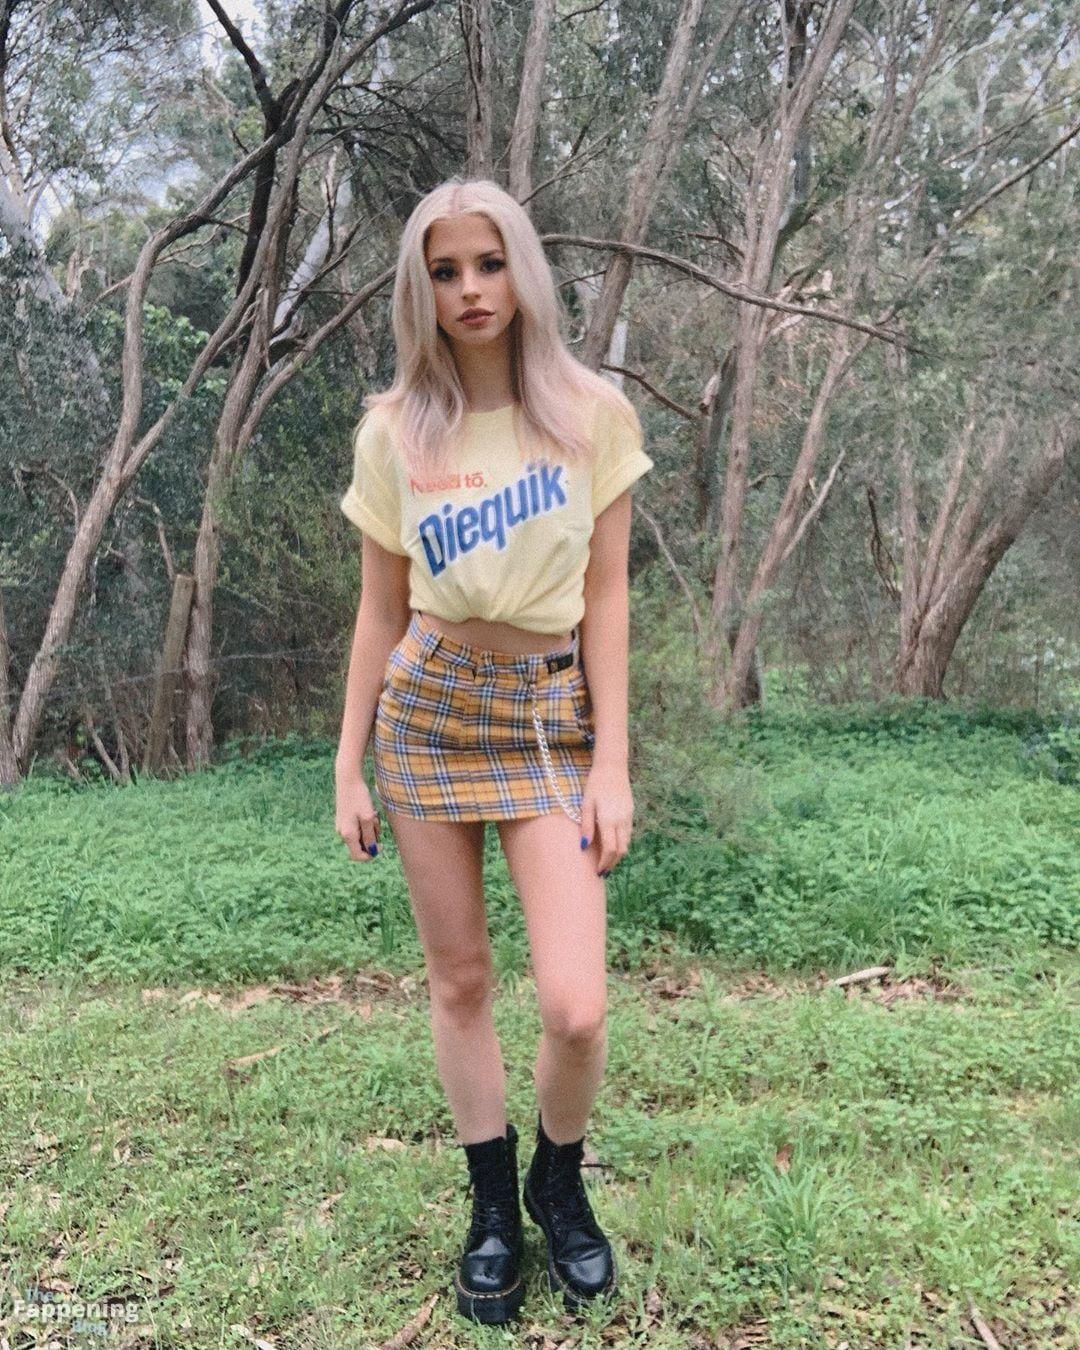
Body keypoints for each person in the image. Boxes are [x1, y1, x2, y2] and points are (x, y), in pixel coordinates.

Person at [333, 177, 654, 1324]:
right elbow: (380, 608)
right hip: (426, 711)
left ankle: (557, 1183)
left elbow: (607, 597)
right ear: (420, 290)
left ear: (521, 269)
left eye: (488, 262)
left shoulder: (591, 415)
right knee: (460, 979)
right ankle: (490, 1211)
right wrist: (347, 764)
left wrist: (611, 762)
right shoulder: (395, 431)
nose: (470, 288)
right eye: (444, 270)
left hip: (544, 717)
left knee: (575, 1005)